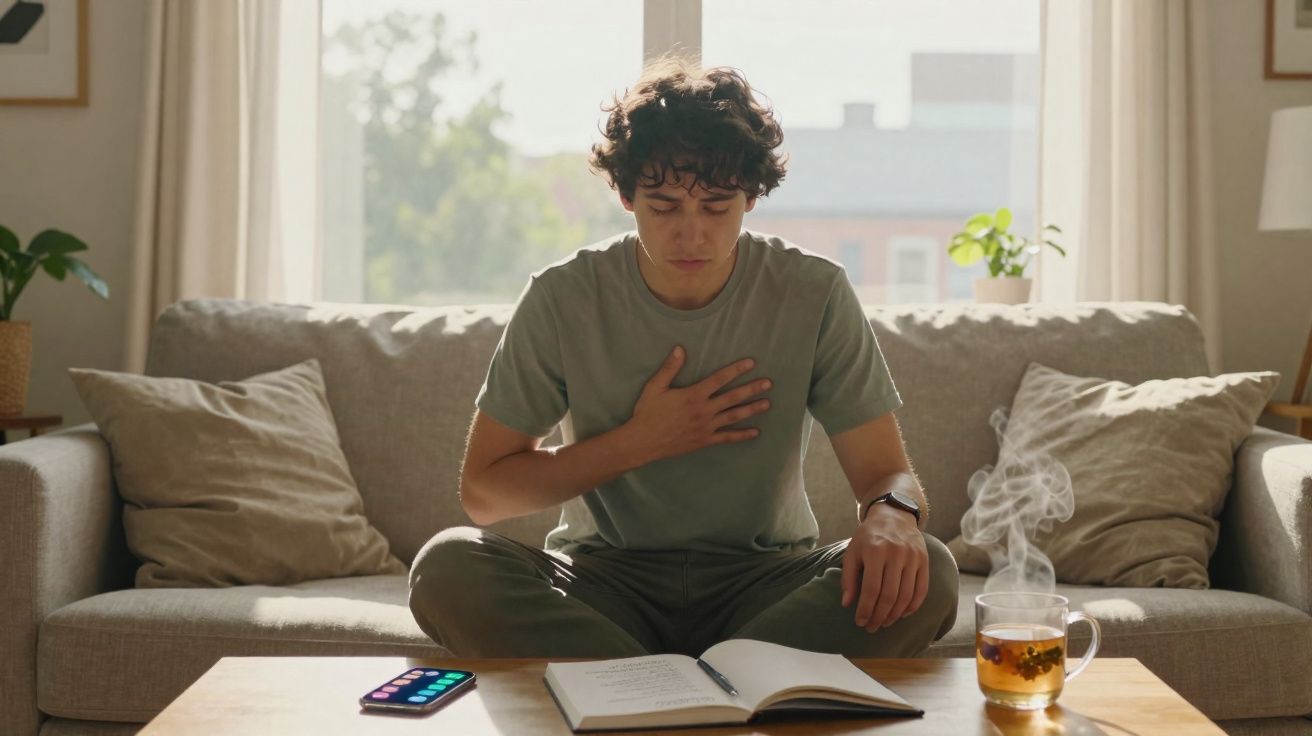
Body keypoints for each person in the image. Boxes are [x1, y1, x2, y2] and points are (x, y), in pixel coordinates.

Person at [408, 56, 958, 659]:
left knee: (928, 567)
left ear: (751, 197)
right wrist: (640, 441)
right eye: (664, 206)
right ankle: (731, 680)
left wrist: (892, 517)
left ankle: (646, 685)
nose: (691, 233)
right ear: (625, 195)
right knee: (446, 567)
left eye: (716, 206)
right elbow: (486, 494)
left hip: (765, 583)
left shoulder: (813, 291)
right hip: (603, 583)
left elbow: (888, 476)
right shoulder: (564, 296)